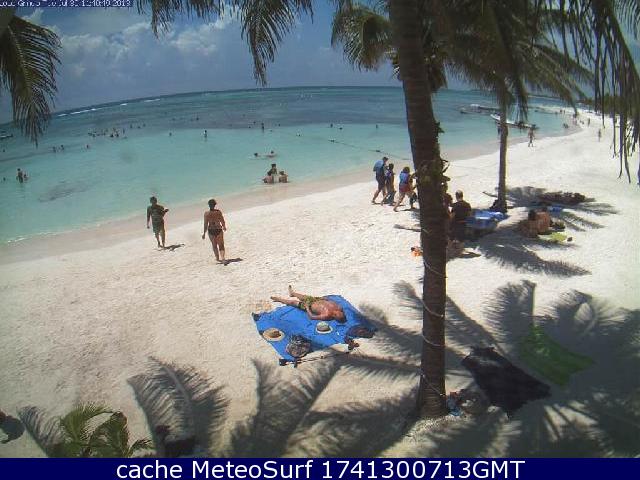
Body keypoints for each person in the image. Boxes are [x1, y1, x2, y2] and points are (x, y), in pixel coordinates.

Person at [271, 285, 346, 322]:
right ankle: (292, 293)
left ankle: (279, 299)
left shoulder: (326, 315)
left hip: (309, 306)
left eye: (335, 314)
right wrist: (324, 299)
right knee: (303, 296)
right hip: (316, 300)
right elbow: (331, 302)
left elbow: (312, 317)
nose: (336, 311)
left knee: (293, 302)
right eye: (338, 312)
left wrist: (307, 308)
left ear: (333, 316)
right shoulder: (339, 308)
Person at [202, 198, 227, 264]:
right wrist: (224, 226)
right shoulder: (218, 212)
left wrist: (204, 233)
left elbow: (205, 224)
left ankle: (217, 258)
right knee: (221, 245)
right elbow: (222, 220)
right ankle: (223, 258)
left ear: (209, 205)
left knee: (214, 245)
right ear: (215, 204)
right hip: (218, 229)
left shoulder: (206, 214)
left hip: (211, 231)